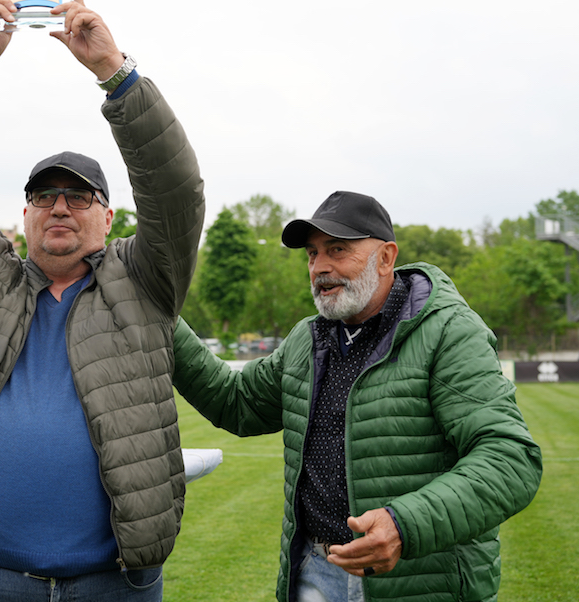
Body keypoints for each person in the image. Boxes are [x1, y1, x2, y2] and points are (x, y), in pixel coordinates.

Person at [0, 0, 205, 601]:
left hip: (115, 585)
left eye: (78, 196)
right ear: (26, 216)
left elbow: (176, 193)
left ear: (109, 216)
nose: (60, 207)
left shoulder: (145, 281)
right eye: (44, 196)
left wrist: (115, 74)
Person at [172, 190, 542, 602]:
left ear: (385, 258)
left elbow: (510, 458)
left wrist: (404, 525)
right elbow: (236, 403)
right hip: (315, 573)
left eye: (338, 250)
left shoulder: (449, 332)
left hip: (420, 583)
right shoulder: (305, 340)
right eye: (312, 254)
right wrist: (160, 316)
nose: (320, 268)